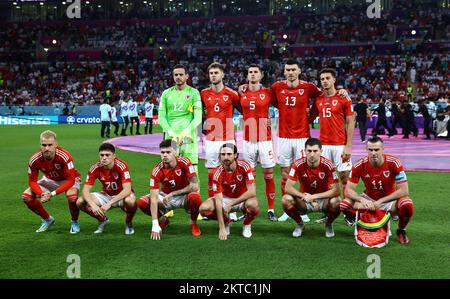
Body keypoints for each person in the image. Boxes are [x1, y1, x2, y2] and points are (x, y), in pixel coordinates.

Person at [268, 59, 347, 222]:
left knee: (304, 173)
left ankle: (305, 208)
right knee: (284, 174)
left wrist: (341, 91)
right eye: (287, 70)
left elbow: (325, 94)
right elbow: (270, 100)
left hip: (302, 137)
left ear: (299, 71)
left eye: (293, 70)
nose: (290, 72)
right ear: (284, 72)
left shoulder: (308, 87)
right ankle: (287, 210)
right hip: (283, 137)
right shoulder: (277, 87)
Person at [341, 136, 414, 244]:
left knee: (407, 204)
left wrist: (380, 201)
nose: (373, 153)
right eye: (370, 150)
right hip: (369, 200)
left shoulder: (394, 163)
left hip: (389, 201)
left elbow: (404, 190)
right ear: (366, 150)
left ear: (382, 149)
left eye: (376, 150)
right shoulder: (359, 165)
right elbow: (348, 191)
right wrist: (362, 199)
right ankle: (361, 222)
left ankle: (401, 230)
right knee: (344, 204)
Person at [310, 68, 355, 224]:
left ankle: (348, 212)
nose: (324, 81)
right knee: (325, 181)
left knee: (345, 178)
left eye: (327, 78)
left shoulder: (343, 98)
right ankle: (328, 211)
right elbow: (310, 117)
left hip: (339, 145)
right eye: (322, 79)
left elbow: (350, 122)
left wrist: (348, 146)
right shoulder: (318, 99)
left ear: (334, 80)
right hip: (323, 146)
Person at [137, 139, 202, 240]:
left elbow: (195, 186)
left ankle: (193, 222)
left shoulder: (185, 162)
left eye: (168, 152)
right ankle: (162, 220)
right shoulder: (156, 170)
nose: (165, 155)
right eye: (162, 152)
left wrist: (173, 193)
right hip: (165, 198)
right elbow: (154, 198)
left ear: (175, 152)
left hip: (183, 196)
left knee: (195, 196)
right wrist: (154, 223)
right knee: (142, 202)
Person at [22, 130, 81, 234]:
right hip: (50, 180)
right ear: (40, 145)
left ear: (56, 145)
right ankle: (47, 219)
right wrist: (42, 193)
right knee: (26, 196)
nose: (47, 148)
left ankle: (74, 221)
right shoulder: (34, 159)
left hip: (68, 179)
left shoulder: (64, 156)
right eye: (44, 145)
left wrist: (52, 194)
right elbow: (32, 181)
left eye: (50, 145)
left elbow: (71, 180)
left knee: (72, 198)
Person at [238, 64, 277, 221]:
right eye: (250, 72)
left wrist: (272, 120)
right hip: (248, 140)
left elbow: (283, 105)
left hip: (265, 140)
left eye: (255, 72)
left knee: (268, 176)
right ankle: (248, 207)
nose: (252, 74)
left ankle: (271, 209)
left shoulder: (268, 93)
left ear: (261, 75)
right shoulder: (241, 92)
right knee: (249, 176)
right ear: (247, 75)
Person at [281, 138, 341, 237]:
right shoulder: (297, 164)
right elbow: (287, 188)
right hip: (304, 201)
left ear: (321, 151)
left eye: (315, 151)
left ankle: (329, 224)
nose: (312, 154)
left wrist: (313, 197)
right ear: (305, 151)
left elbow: (336, 190)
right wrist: (304, 196)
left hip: (323, 200)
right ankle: (300, 224)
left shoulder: (328, 165)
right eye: (309, 151)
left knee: (337, 201)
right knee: (285, 200)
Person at [199, 143, 259, 240]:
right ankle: (227, 222)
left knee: (253, 205)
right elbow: (218, 200)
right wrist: (221, 227)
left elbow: (252, 192)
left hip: (242, 199)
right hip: (225, 199)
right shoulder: (217, 173)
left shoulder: (245, 166)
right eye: (223, 154)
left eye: (229, 154)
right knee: (204, 209)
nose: (226, 157)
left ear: (235, 155)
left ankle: (247, 224)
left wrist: (230, 204)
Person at [77, 142, 137, 235]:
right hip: (107, 195)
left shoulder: (121, 166)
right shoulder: (95, 168)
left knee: (130, 201)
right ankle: (102, 220)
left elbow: (127, 189)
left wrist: (110, 203)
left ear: (114, 156)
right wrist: (93, 205)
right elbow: (85, 190)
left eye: (107, 155)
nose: (104, 158)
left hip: (121, 196)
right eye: (102, 155)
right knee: (80, 202)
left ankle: (128, 223)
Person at [201, 62, 241, 198]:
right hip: (211, 139)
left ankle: (232, 206)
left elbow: (245, 110)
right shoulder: (204, 93)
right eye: (211, 73)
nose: (213, 75)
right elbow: (198, 111)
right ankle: (212, 204)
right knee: (211, 173)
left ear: (222, 74)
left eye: (216, 73)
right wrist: (202, 126)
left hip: (228, 138)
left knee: (231, 171)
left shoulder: (231, 94)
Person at [158, 64, 202, 167]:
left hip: (188, 137)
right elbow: (161, 117)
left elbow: (198, 117)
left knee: (192, 170)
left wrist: (185, 132)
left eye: (181, 74)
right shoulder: (166, 94)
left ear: (186, 76)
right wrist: (171, 132)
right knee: (170, 171)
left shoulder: (194, 93)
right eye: (176, 75)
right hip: (170, 137)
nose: (178, 77)